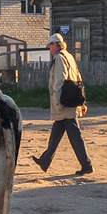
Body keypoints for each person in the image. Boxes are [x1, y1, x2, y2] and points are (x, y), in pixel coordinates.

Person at [32, 32, 93, 176]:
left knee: (74, 136)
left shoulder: (59, 58)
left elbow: (59, 81)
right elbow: (79, 79)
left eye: (50, 46)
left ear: (55, 45)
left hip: (64, 102)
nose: (50, 50)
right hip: (71, 100)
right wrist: (82, 102)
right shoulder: (69, 56)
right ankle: (45, 160)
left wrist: (58, 103)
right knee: (57, 132)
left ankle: (86, 165)